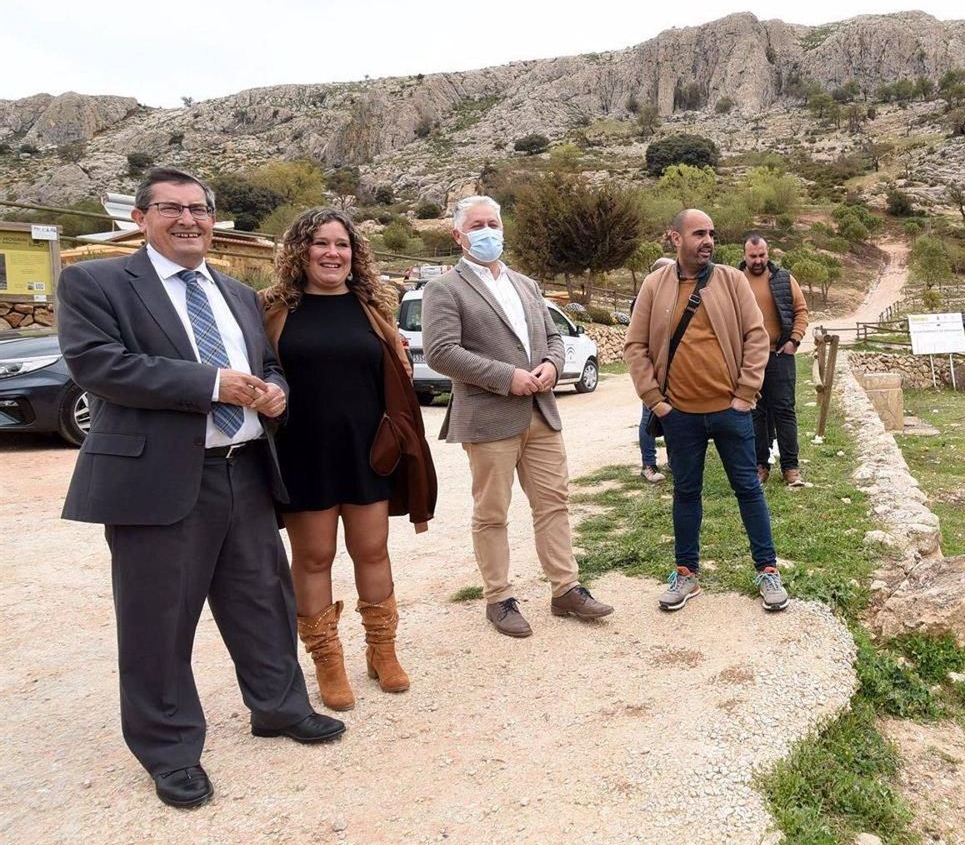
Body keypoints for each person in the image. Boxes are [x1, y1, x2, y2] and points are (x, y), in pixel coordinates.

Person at [56, 167, 344, 810]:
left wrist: (276, 391)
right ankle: (170, 750)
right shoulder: (96, 282)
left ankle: (279, 707)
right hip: (156, 478)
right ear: (140, 218)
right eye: (172, 208)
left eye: (200, 209)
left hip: (244, 467)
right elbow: (99, 365)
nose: (189, 219)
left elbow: (266, 364)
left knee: (262, 599)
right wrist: (213, 384)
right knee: (158, 621)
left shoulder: (237, 293)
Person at [260, 208, 439, 711]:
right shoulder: (271, 309)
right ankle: (327, 661)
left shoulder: (372, 307)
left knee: (372, 550)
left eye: (342, 244)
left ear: (355, 254)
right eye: (320, 243)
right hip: (302, 452)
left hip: (367, 452)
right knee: (314, 557)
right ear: (301, 250)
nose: (332, 253)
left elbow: (395, 379)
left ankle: (383, 651)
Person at [422, 195, 613, 635]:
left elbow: (553, 337)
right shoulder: (444, 289)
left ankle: (565, 589)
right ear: (458, 235)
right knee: (492, 512)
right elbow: (441, 352)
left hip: (540, 412)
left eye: (493, 223)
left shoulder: (526, 284)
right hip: (489, 416)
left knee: (554, 504)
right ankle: (499, 598)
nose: (487, 232)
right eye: (477, 226)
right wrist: (506, 377)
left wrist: (552, 365)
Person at [623, 208, 788, 613]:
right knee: (686, 493)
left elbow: (756, 336)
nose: (708, 241)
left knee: (748, 489)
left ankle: (768, 571)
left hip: (732, 411)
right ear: (675, 238)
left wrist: (745, 393)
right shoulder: (654, 285)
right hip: (680, 415)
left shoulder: (732, 280)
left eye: (711, 233)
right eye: (699, 233)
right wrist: (656, 401)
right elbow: (635, 346)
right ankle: (686, 574)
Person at [739, 234, 809, 487]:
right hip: (749, 358)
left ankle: (791, 468)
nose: (758, 260)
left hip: (780, 356)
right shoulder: (735, 280)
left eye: (762, 255)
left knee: (784, 411)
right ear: (744, 255)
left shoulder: (784, 278)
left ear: (768, 254)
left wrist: (794, 340)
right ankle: (760, 465)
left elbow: (801, 311)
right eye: (753, 256)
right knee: (754, 413)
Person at [637, 257, 675, 484]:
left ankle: (673, 461)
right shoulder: (645, 302)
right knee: (649, 416)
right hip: (652, 371)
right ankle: (648, 465)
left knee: (673, 416)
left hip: (673, 371)